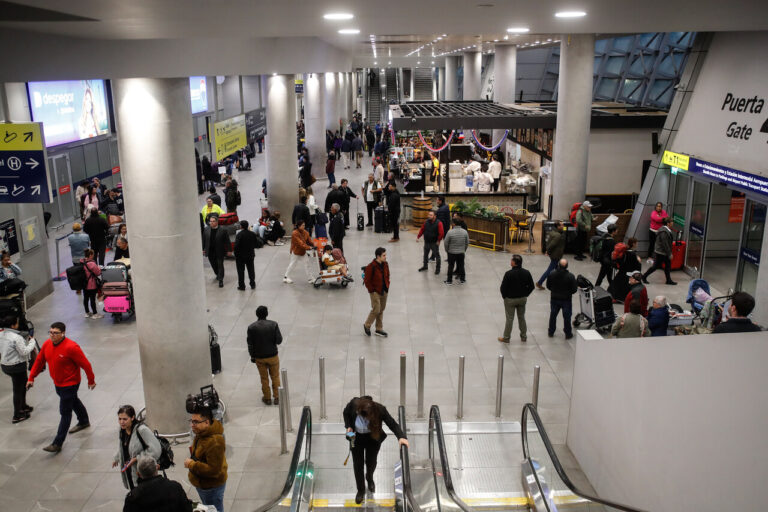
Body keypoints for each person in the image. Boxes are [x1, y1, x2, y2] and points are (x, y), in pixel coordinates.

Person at [27, 321, 95, 453]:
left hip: (70, 383)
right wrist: (31, 377)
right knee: (73, 400)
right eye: (50, 332)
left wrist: (91, 380)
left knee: (65, 412)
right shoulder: (47, 344)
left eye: (55, 333)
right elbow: (40, 361)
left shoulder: (72, 347)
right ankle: (84, 420)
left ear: (63, 333)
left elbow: (86, 364)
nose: (52, 335)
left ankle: (57, 443)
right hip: (57, 382)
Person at [344, 396, 409, 504]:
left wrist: (401, 436)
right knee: (358, 465)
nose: (362, 418)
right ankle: (360, 490)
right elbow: (345, 413)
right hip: (356, 438)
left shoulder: (380, 410)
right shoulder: (354, 404)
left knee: (371, 462)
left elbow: (392, 423)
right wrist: (348, 426)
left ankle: (369, 478)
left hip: (372, 439)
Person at [185, 405, 228, 512]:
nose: (192, 425)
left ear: (207, 422)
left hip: (211, 487)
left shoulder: (214, 442)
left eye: (195, 422)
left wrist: (191, 464)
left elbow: (214, 470)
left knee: (214, 509)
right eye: (191, 421)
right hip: (204, 484)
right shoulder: (202, 433)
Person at [111, 405, 162, 491]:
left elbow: (155, 450)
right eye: (120, 419)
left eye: (125, 419)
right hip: (129, 470)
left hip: (142, 471)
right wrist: (117, 457)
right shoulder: (122, 430)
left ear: (132, 417)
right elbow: (123, 446)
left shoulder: (141, 430)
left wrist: (136, 458)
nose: (121, 422)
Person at [123, 455, 191, 512]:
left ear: (138, 474)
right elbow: (187, 509)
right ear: (157, 467)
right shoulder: (175, 487)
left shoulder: (133, 497)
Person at [0, 316, 36, 423]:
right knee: (18, 389)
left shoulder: (1, 334)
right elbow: (24, 352)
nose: (18, 324)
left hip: (5, 365)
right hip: (17, 366)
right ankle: (17, 415)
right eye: (17, 323)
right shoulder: (16, 337)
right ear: (13, 325)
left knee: (23, 385)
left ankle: (23, 406)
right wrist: (32, 342)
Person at [247, 306, 283, 405]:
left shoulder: (251, 327)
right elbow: (279, 340)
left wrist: (252, 356)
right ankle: (277, 397)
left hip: (259, 357)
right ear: (267, 314)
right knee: (275, 376)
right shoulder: (274, 324)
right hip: (273, 356)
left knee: (264, 378)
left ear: (256, 314)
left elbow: (250, 344)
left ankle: (267, 398)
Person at [498, 254, 535, 343]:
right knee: (521, 317)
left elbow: (503, 288)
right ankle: (523, 336)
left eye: (511, 260)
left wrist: (505, 297)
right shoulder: (526, 272)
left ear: (514, 263)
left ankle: (506, 338)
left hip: (510, 299)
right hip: (522, 299)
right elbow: (531, 286)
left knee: (510, 319)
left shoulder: (508, 274)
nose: (510, 261)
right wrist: (526, 294)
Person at [546, 259, 578, 339]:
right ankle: (568, 333)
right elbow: (574, 289)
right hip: (566, 299)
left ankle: (551, 332)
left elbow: (548, 286)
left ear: (558, 265)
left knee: (553, 315)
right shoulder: (570, 276)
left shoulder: (552, 274)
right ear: (567, 266)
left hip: (554, 298)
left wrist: (554, 291)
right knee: (567, 317)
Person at [642, 217, 677, 285]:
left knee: (667, 266)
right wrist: (669, 254)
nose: (673, 223)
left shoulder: (665, 230)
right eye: (672, 222)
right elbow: (665, 244)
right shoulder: (664, 232)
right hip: (661, 253)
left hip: (663, 252)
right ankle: (644, 276)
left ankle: (668, 280)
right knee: (655, 267)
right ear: (668, 223)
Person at [363, 248, 390, 337]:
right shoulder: (371, 266)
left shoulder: (385, 264)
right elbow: (367, 280)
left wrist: (387, 285)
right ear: (378, 256)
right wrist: (372, 290)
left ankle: (379, 328)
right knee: (376, 309)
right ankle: (367, 325)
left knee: (381, 309)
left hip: (384, 290)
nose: (385, 257)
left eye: (385, 255)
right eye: (384, 255)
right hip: (375, 291)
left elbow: (387, 275)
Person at [609, 237, 642, 302]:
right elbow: (635, 265)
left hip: (622, 272)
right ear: (633, 244)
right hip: (629, 273)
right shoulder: (632, 254)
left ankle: (614, 297)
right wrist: (639, 262)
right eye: (636, 243)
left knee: (616, 285)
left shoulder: (625, 252)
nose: (637, 244)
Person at [536, 221, 565, 290]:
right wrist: (547, 251)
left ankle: (560, 282)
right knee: (550, 270)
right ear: (558, 226)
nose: (563, 226)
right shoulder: (558, 235)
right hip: (556, 255)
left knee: (558, 269)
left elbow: (548, 242)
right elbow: (552, 244)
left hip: (554, 254)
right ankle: (539, 282)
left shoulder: (553, 232)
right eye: (562, 225)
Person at [284, 219, 314, 284]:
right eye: (303, 225)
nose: (304, 226)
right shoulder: (294, 233)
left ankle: (310, 278)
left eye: (304, 225)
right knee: (292, 264)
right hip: (296, 251)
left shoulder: (305, 232)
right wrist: (309, 247)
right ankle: (286, 277)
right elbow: (300, 244)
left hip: (303, 252)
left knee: (307, 264)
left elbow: (309, 241)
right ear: (299, 226)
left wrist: (314, 244)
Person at [203, 215, 229, 288]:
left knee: (220, 265)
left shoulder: (223, 230)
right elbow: (204, 240)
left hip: (219, 251)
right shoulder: (206, 229)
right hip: (210, 251)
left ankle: (221, 280)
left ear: (217, 222)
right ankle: (217, 274)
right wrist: (203, 249)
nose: (211, 223)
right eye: (210, 221)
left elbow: (227, 241)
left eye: (213, 221)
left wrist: (229, 250)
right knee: (213, 264)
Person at [443, 218, 469, 285]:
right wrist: (464, 250)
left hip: (451, 253)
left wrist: (447, 250)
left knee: (450, 266)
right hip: (461, 252)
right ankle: (462, 280)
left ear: (454, 224)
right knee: (461, 266)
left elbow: (446, 243)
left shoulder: (450, 232)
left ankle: (449, 281)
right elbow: (467, 243)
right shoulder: (465, 232)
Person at [234, 220, 258, 290]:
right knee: (251, 270)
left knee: (241, 271)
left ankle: (242, 286)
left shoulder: (239, 235)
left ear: (241, 226)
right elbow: (256, 244)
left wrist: (236, 254)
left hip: (240, 256)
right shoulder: (252, 234)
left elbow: (236, 246)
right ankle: (252, 284)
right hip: (250, 255)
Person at [81, 248, 103, 319]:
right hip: (91, 284)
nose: (94, 256)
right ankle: (95, 313)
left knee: (86, 298)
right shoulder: (92, 264)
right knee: (92, 299)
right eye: (93, 254)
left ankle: (87, 312)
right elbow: (98, 273)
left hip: (84, 283)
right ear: (90, 255)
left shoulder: (82, 262)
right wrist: (99, 268)